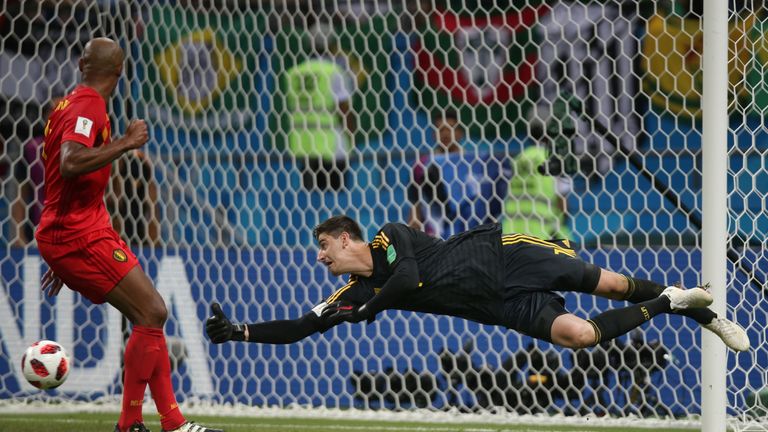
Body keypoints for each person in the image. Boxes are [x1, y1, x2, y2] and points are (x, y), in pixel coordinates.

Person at [206, 215, 750, 355]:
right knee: (579, 337)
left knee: (609, 284)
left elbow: (410, 278)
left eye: (325, 247)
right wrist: (238, 332)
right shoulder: (351, 293)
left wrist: (370, 312)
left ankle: (701, 313)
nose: (321, 258)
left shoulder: (388, 239)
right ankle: (673, 300)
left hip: (505, 258)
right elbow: (302, 327)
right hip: (496, 307)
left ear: (347, 239)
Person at [35, 37, 221, 432]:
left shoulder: (67, 104)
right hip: (76, 232)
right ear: (120, 72)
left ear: (83, 65)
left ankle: (154, 422)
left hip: (80, 228)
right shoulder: (88, 106)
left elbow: (58, 173)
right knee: (152, 311)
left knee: (148, 313)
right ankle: (154, 423)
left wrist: (59, 251)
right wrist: (126, 143)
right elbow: (69, 163)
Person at [407, 110, 508, 238]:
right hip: (436, 237)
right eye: (441, 129)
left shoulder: (474, 164)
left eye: (450, 129)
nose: (445, 133)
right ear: (433, 134)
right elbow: (416, 206)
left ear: (460, 133)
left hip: (471, 235)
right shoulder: (423, 165)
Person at [285, 21, 356, 191]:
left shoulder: (294, 72)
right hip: (331, 144)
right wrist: (352, 136)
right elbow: (343, 108)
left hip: (303, 143)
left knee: (310, 200)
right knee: (335, 201)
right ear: (331, 44)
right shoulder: (333, 71)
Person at [503, 143, 571, 239]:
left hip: (513, 229)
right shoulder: (553, 159)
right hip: (542, 229)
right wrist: (564, 218)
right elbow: (562, 195)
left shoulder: (519, 157)